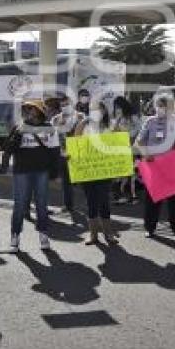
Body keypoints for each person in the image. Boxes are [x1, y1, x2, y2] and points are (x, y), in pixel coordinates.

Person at [1, 100, 61, 252]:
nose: (29, 111)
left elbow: (55, 151)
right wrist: (18, 133)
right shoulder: (19, 126)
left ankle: (43, 234)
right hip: (21, 171)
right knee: (19, 205)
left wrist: (55, 172)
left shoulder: (49, 128)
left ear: (40, 111)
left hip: (41, 171)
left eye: (32, 108)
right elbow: (8, 148)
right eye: (27, 108)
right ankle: (15, 236)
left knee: (41, 204)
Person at [134, 95, 175, 238]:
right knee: (153, 198)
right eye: (158, 105)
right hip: (154, 166)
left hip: (172, 166)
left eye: (164, 106)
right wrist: (145, 153)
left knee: (173, 199)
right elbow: (139, 143)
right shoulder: (150, 121)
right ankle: (150, 227)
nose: (160, 108)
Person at [74, 101, 120, 245]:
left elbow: (120, 140)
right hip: (88, 170)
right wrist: (84, 121)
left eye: (98, 109)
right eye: (92, 110)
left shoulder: (110, 125)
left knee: (104, 201)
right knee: (91, 202)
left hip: (105, 169)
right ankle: (93, 234)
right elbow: (76, 137)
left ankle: (108, 233)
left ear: (104, 111)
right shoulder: (85, 125)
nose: (95, 112)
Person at [50, 94, 82, 214]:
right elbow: (50, 135)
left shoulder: (80, 116)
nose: (65, 107)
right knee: (66, 182)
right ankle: (68, 205)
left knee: (82, 181)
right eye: (62, 105)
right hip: (62, 154)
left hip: (78, 153)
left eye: (67, 104)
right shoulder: (55, 119)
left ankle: (91, 205)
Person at [111, 96, 140, 205]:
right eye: (116, 107)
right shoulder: (119, 117)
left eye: (118, 106)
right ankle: (121, 194)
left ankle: (133, 196)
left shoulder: (132, 115)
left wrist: (128, 135)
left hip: (130, 145)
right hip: (121, 145)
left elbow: (139, 128)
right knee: (121, 170)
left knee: (131, 170)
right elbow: (115, 129)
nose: (117, 109)